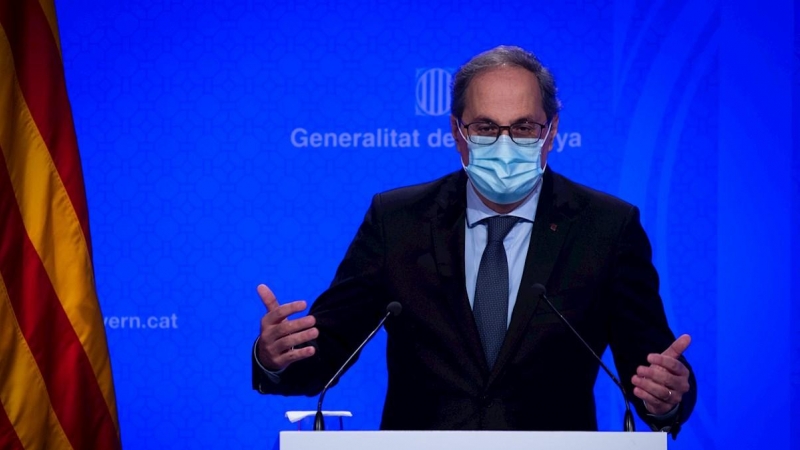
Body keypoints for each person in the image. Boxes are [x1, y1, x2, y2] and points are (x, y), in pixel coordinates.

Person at [252, 45, 696, 435]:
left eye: (523, 127)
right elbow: (324, 354)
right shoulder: (398, 220)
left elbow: (652, 371)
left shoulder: (606, 227)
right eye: (485, 127)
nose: (504, 145)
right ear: (457, 134)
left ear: (552, 133)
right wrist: (276, 357)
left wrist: (668, 395)